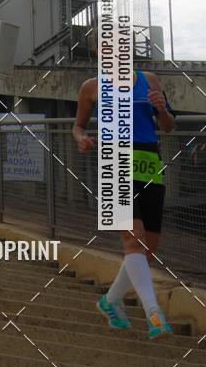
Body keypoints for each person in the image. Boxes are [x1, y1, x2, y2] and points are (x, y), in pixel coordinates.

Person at [73, 62, 176, 340]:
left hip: (149, 164)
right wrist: (82, 139)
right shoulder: (91, 87)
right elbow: (78, 127)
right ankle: (154, 314)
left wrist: (163, 110)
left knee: (147, 249)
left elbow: (167, 127)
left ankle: (110, 301)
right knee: (134, 239)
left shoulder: (149, 79)